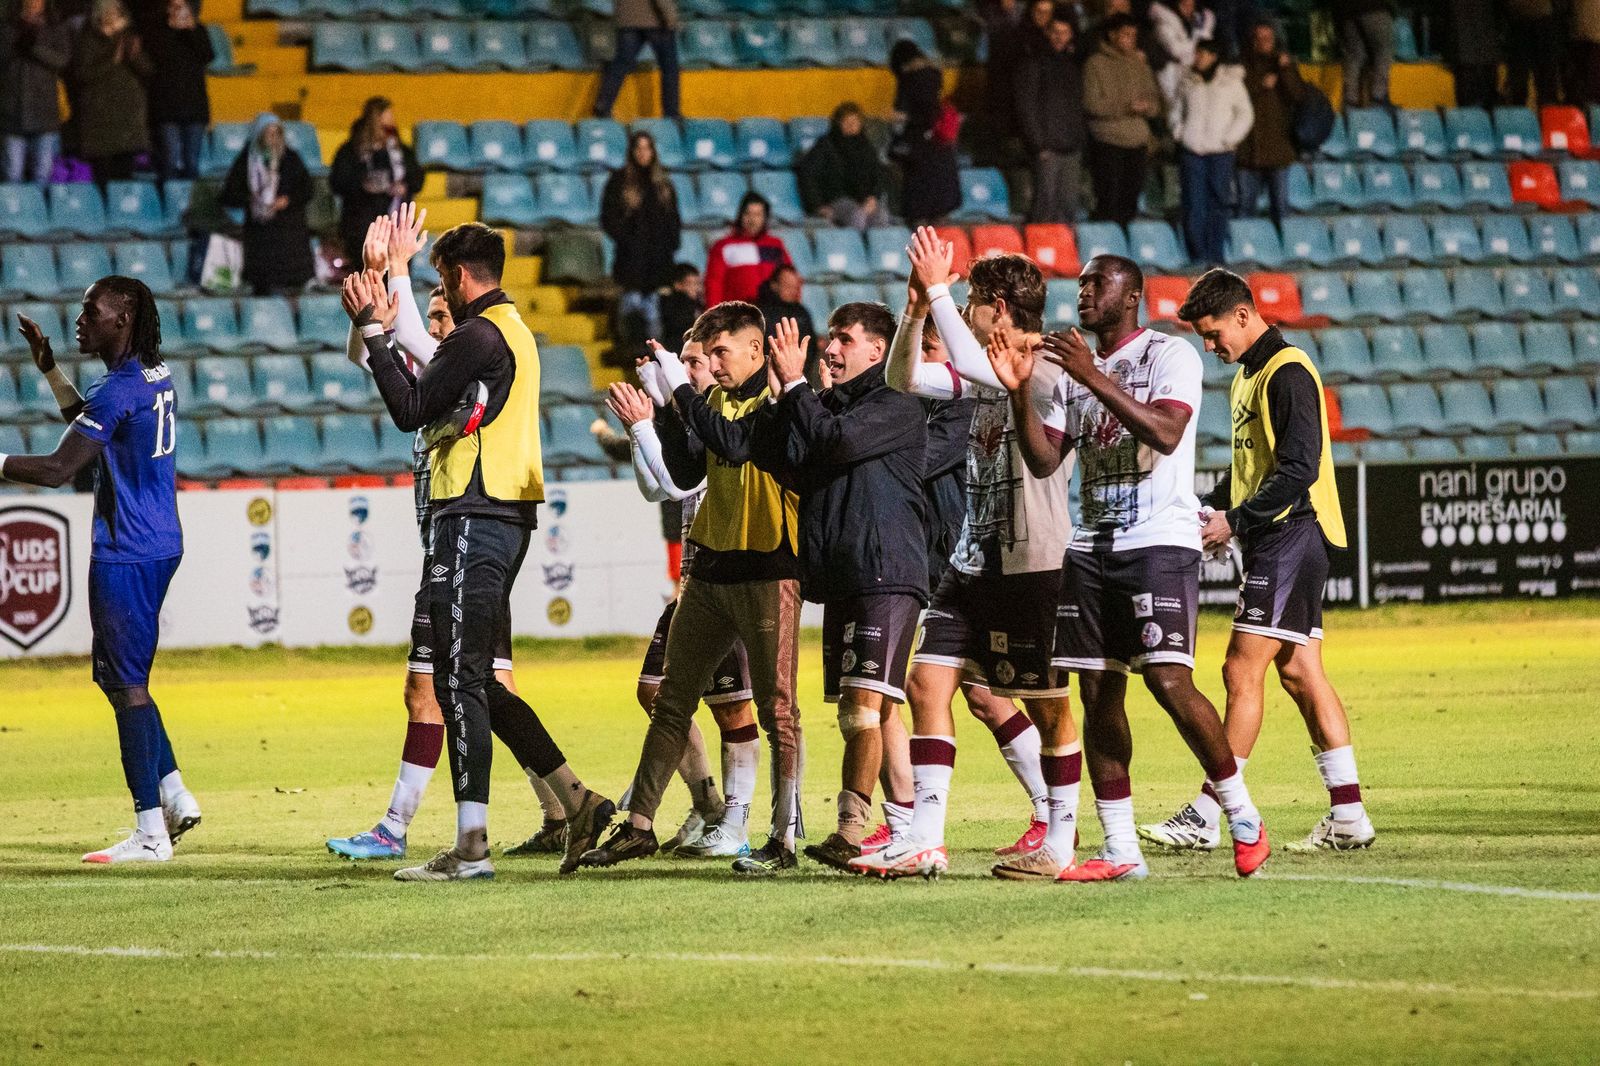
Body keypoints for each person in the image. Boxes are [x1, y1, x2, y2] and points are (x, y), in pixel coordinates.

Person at [345, 222, 616, 882]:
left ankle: (471, 847)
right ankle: (577, 800)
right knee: (475, 679)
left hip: (475, 510)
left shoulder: (477, 335)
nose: (441, 291)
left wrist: (373, 328)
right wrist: (390, 286)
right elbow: (428, 370)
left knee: (459, 680)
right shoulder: (512, 331)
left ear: (461, 277)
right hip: (498, 510)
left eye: (442, 279)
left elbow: (409, 407)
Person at [990, 253, 1271, 883]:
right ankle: (1120, 849)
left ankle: (1242, 814)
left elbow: (1166, 433)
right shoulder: (1073, 369)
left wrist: (1091, 376)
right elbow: (1043, 462)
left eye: (1098, 282)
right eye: (1081, 283)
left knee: (1168, 681)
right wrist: (1018, 392)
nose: (1084, 291)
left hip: (1158, 541)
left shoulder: (1170, 355)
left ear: (1132, 295)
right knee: (1097, 694)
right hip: (1091, 545)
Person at [852, 233, 1078, 880]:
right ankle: (925, 838)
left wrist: (938, 290)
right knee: (927, 682)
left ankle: (1061, 839)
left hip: (1034, 559)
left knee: (1048, 706)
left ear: (997, 308)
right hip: (973, 558)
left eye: (974, 301)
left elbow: (983, 369)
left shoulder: (1048, 363)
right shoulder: (979, 366)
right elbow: (903, 377)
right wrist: (916, 310)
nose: (968, 312)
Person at [1141, 268, 1375, 853]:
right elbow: (1251, 467)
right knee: (1300, 673)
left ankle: (1207, 812)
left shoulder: (1287, 371)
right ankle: (1349, 814)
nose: (1210, 347)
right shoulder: (1250, 374)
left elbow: (1298, 468)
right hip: (1282, 535)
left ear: (1243, 316)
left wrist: (1237, 520)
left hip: (1293, 533)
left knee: (1239, 671)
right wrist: (1213, 507)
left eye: (1214, 334)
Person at [578, 301, 806, 876]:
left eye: (722, 352)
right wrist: (657, 414)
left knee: (776, 707)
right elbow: (683, 475)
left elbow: (734, 445)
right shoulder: (712, 401)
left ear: (755, 349)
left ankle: (783, 837)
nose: (716, 364)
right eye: (710, 356)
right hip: (710, 567)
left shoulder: (779, 398)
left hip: (768, 565)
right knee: (672, 699)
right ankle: (639, 827)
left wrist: (679, 391)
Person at [1, 278, 201, 863]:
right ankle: (174, 793)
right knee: (120, 677)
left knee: (127, 684)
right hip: (158, 541)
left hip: (126, 549)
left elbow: (60, 468)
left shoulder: (118, 389)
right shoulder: (150, 376)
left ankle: (150, 833)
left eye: (92, 310)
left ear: (123, 318)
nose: (80, 319)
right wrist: (51, 371)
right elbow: (94, 430)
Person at [752, 304, 929, 872]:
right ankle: (907, 831)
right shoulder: (830, 405)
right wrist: (781, 395)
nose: (830, 348)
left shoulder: (897, 401)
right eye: (830, 338)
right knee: (875, 707)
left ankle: (850, 830)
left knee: (861, 710)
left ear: (878, 350)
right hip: (845, 576)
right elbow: (779, 461)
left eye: (844, 339)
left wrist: (800, 387)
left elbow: (838, 443)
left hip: (886, 572)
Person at [604, 339, 762, 859]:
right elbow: (657, 489)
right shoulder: (691, 423)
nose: (690, 370)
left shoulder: (726, 421)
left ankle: (736, 822)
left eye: (695, 362)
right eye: (687, 362)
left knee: (733, 707)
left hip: (728, 578)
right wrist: (640, 430)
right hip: (694, 586)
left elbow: (675, 487)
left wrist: (645, 425)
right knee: (655, 692)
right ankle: (709, 805)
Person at [915, 309, 1055, 855]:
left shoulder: (962, 404)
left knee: (1023, 697)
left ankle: (1055, 812)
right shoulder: (938, 406)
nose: (925, 362)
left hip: (984, 561)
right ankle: (915, 829)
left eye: (931, 351)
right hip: (956, 562)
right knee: (945, 689)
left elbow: (916, 466)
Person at [600, 131, 682, 361]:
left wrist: (670, 246)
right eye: (639, 148)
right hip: (630, 265)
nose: (643, 153)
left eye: (647, 148)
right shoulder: (619, 182)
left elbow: (673, 221)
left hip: (658, 266)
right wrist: (627, 239)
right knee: (630, 320)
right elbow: (609, 218)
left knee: (656, 326)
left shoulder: (663, 184)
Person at [1171, 40, 1252, 266]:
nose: (1198, 58)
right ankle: (1197, 254)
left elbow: (1245, 114)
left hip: (1220, 153)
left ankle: (1215, 254)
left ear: (1214, 56)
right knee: (1193, 203)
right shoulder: (1187, 81)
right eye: (1197, 53)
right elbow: (1176, 110)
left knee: (1218, 203)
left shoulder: (1231, 82)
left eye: (1203, 54)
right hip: (1192, 151)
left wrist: (1229, 138)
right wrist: (1180, 132)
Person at [218, 113, 316, 295]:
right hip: (260, 234)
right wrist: (251, 199)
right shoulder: (245, 161)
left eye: (276, 133)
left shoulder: (291, 159)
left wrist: (287, 200)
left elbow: (307, 189)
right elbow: (229, 194)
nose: (273, 138)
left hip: (290, 232)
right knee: (264, 283)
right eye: (268, 133)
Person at [1082, 13, 1160, 227]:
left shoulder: (1139, 64)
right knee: (1108, 198)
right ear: (1112, 35)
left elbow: (1155, 101)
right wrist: (1126, 107)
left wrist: (1148, 107)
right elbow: (1091, 103)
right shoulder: (1095, 64)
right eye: (1126, 34)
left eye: (1133, 35)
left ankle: (1126, 238)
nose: (1130, 40)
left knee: (1131, 199)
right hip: (1108, 140)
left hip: (1137, 141)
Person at [330, 96, 423, 269]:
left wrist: (404, 187)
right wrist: (362, 186)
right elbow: (338, 181)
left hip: (396, 223)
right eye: (388, 116)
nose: (393, 120)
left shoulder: (400, 149)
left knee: (396, 274)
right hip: (362, 225)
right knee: (365, 273)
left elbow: (417, 177)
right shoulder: (351, 151)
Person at [66, 0, 151, 186]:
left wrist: (135, 56)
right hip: (99, 120)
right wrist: (112, 59)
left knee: (125, 178)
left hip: (127, 120)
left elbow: (148, 71)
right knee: (103, 177)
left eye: (116, 12)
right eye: (108, 12)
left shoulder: (130, 36)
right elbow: (82, 74)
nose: (112, 16)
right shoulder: (88, 38)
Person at [1014, 9, 1086, 224]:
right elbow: (1026, 106)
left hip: (1071, 146)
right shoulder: (1033, 62)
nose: (1059, 37)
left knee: (1068, 206)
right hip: (1047, 148)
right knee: (1045, 206)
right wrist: (1039, 144)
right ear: (1047, 32)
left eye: (1064, 33)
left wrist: (1078, 140)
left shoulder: (1073, 65)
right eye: (1055, 32)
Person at [1236, 20, 1304, 227]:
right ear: (1252, 41)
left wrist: (1286, 69)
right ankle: (1245, 244)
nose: (1264, 42)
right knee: (1245, 206)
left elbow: (1297, 95)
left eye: (1268, 38)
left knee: (1281, 207)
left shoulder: (1284, 64)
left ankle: (1284, 243)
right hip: (1249, 148)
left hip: (1278, 147)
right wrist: (1260, 85)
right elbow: (1235, 95)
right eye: (1260, 38)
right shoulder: (1241, 66)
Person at [889, 39, 961, 226]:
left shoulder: (909, 81)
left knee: (918, 216)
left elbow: (916, 116)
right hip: (941, 151)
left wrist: (903, 118)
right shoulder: (936, 77)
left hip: (919, 153)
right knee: (939, 220)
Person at [0, 0, 71, 184]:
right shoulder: (8, 25)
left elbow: (62, 60)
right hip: (12, 112)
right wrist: (16, 45)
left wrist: (35, 49)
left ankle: (39, 204)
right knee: (12, 174)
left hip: (44, 112)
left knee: (42, 175)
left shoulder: (54, 26)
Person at [138, 0, 210, 181]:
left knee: (191, 161)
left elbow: (207, 55)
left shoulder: (198, 30)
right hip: (166, 107)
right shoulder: (157, 32)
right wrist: (171, 31)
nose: (176, 10)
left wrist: (191, 30)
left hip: (194, 106)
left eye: (180, 6)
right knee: (169, 159)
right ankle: (170, 196)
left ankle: (190, 197)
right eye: (172, 6)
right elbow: (159, 57)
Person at [795, 102, 890, 231]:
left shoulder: (866, 146)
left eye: (855, 122)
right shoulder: (826, 145)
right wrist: (818, 206)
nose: (851, 126)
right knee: (857, 216)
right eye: (847, 122)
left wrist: (873, 197)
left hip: (863, 199)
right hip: (835, 199)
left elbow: (877, 175)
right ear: (838, 123)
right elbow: (808, 175)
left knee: (881, 216)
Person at [591, 0, 679, 120]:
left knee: (620, 65)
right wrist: (670, 16)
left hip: (627, 19)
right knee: (669, 69)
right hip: (655, 20)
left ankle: (603, 105)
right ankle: (672, 114)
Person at [703, 191, 790, 307]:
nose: (752, 220)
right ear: (740, 215)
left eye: (758, 215)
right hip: (737, 314)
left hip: (773, 312)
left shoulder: (776, 245)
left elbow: (790, 279)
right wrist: (714, 313)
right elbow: (713, 284)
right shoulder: (723, 246)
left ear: (765, 218)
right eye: (748, 214)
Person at [754, 264, 818, 384]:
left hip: (799, 377)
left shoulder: (801, 312)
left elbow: (811, 347)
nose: (793, 291)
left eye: (795, 287)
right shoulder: (759, 313)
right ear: (774, 285)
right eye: (788, 286)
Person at [1149, 0, 1216, 102]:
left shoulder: (1201, 16)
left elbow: (1206, 42)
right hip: (1172, 73)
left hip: (1197, 70)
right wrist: (1197, 44)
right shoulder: (1163, 18)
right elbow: (1175, 49)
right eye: (1185, 4)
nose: (1189, 7)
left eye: (1192, 4)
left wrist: (1194, 47)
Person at [1333, 0, 1394, 108]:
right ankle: (1378, 96)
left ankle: (1350, 100)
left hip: (1346, 11)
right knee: (1383, 51)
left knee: (1355, 55)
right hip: (1374, 7)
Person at [1504, 0, 1561, 107]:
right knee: (1544, 77)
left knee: (1520, 77)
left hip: (1518, 19)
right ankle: (1546, 108)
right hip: (1538, 18)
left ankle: (1518, 109)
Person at [657, 262, 702, 351]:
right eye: (691, 284)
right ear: (678, 285)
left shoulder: (698, 303)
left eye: (698, 283)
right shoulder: (672, 304)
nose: (696, 288)